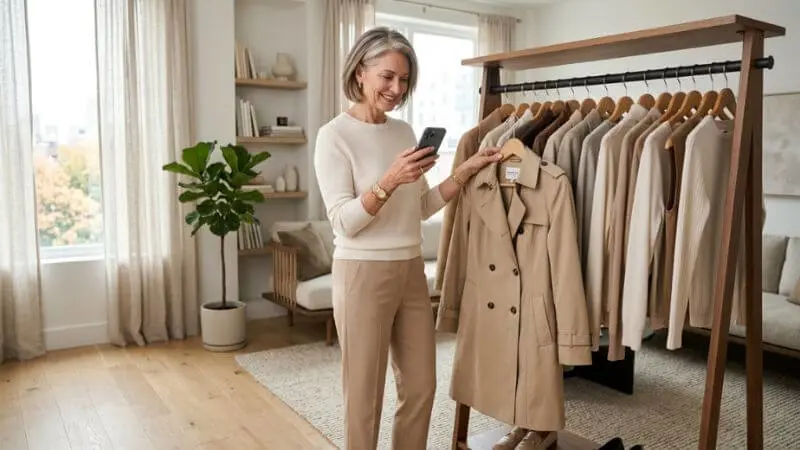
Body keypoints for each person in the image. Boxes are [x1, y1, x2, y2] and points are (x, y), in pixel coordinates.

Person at [313, 26, 502, 450]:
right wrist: (389, 180)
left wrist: (465, 171)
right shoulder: (334, 136)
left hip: (411, 271)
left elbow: (421, 206)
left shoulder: (402, 133)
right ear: (360, 72)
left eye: (404, 80)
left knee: (420, 386)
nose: (397, 89)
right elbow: (344, 221)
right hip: (362, 274)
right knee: (363, 397)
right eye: (387, 77)